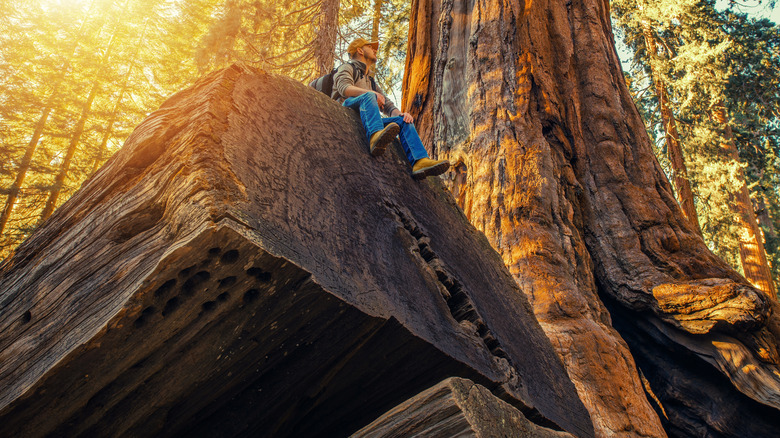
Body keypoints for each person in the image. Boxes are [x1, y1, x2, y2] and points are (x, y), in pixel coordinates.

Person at [332, 38, 449, 179]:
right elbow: (344, 88)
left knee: (403, 121)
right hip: (348, 110)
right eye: (370, 46)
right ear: (360, 50)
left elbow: (387, 105)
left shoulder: (371, 82)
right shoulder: (348, 67)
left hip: (368, 118)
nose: (375, 50)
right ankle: (375, 138)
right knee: (369, 96)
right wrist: (372, 94)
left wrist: (401, 115)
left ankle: (419, 161)